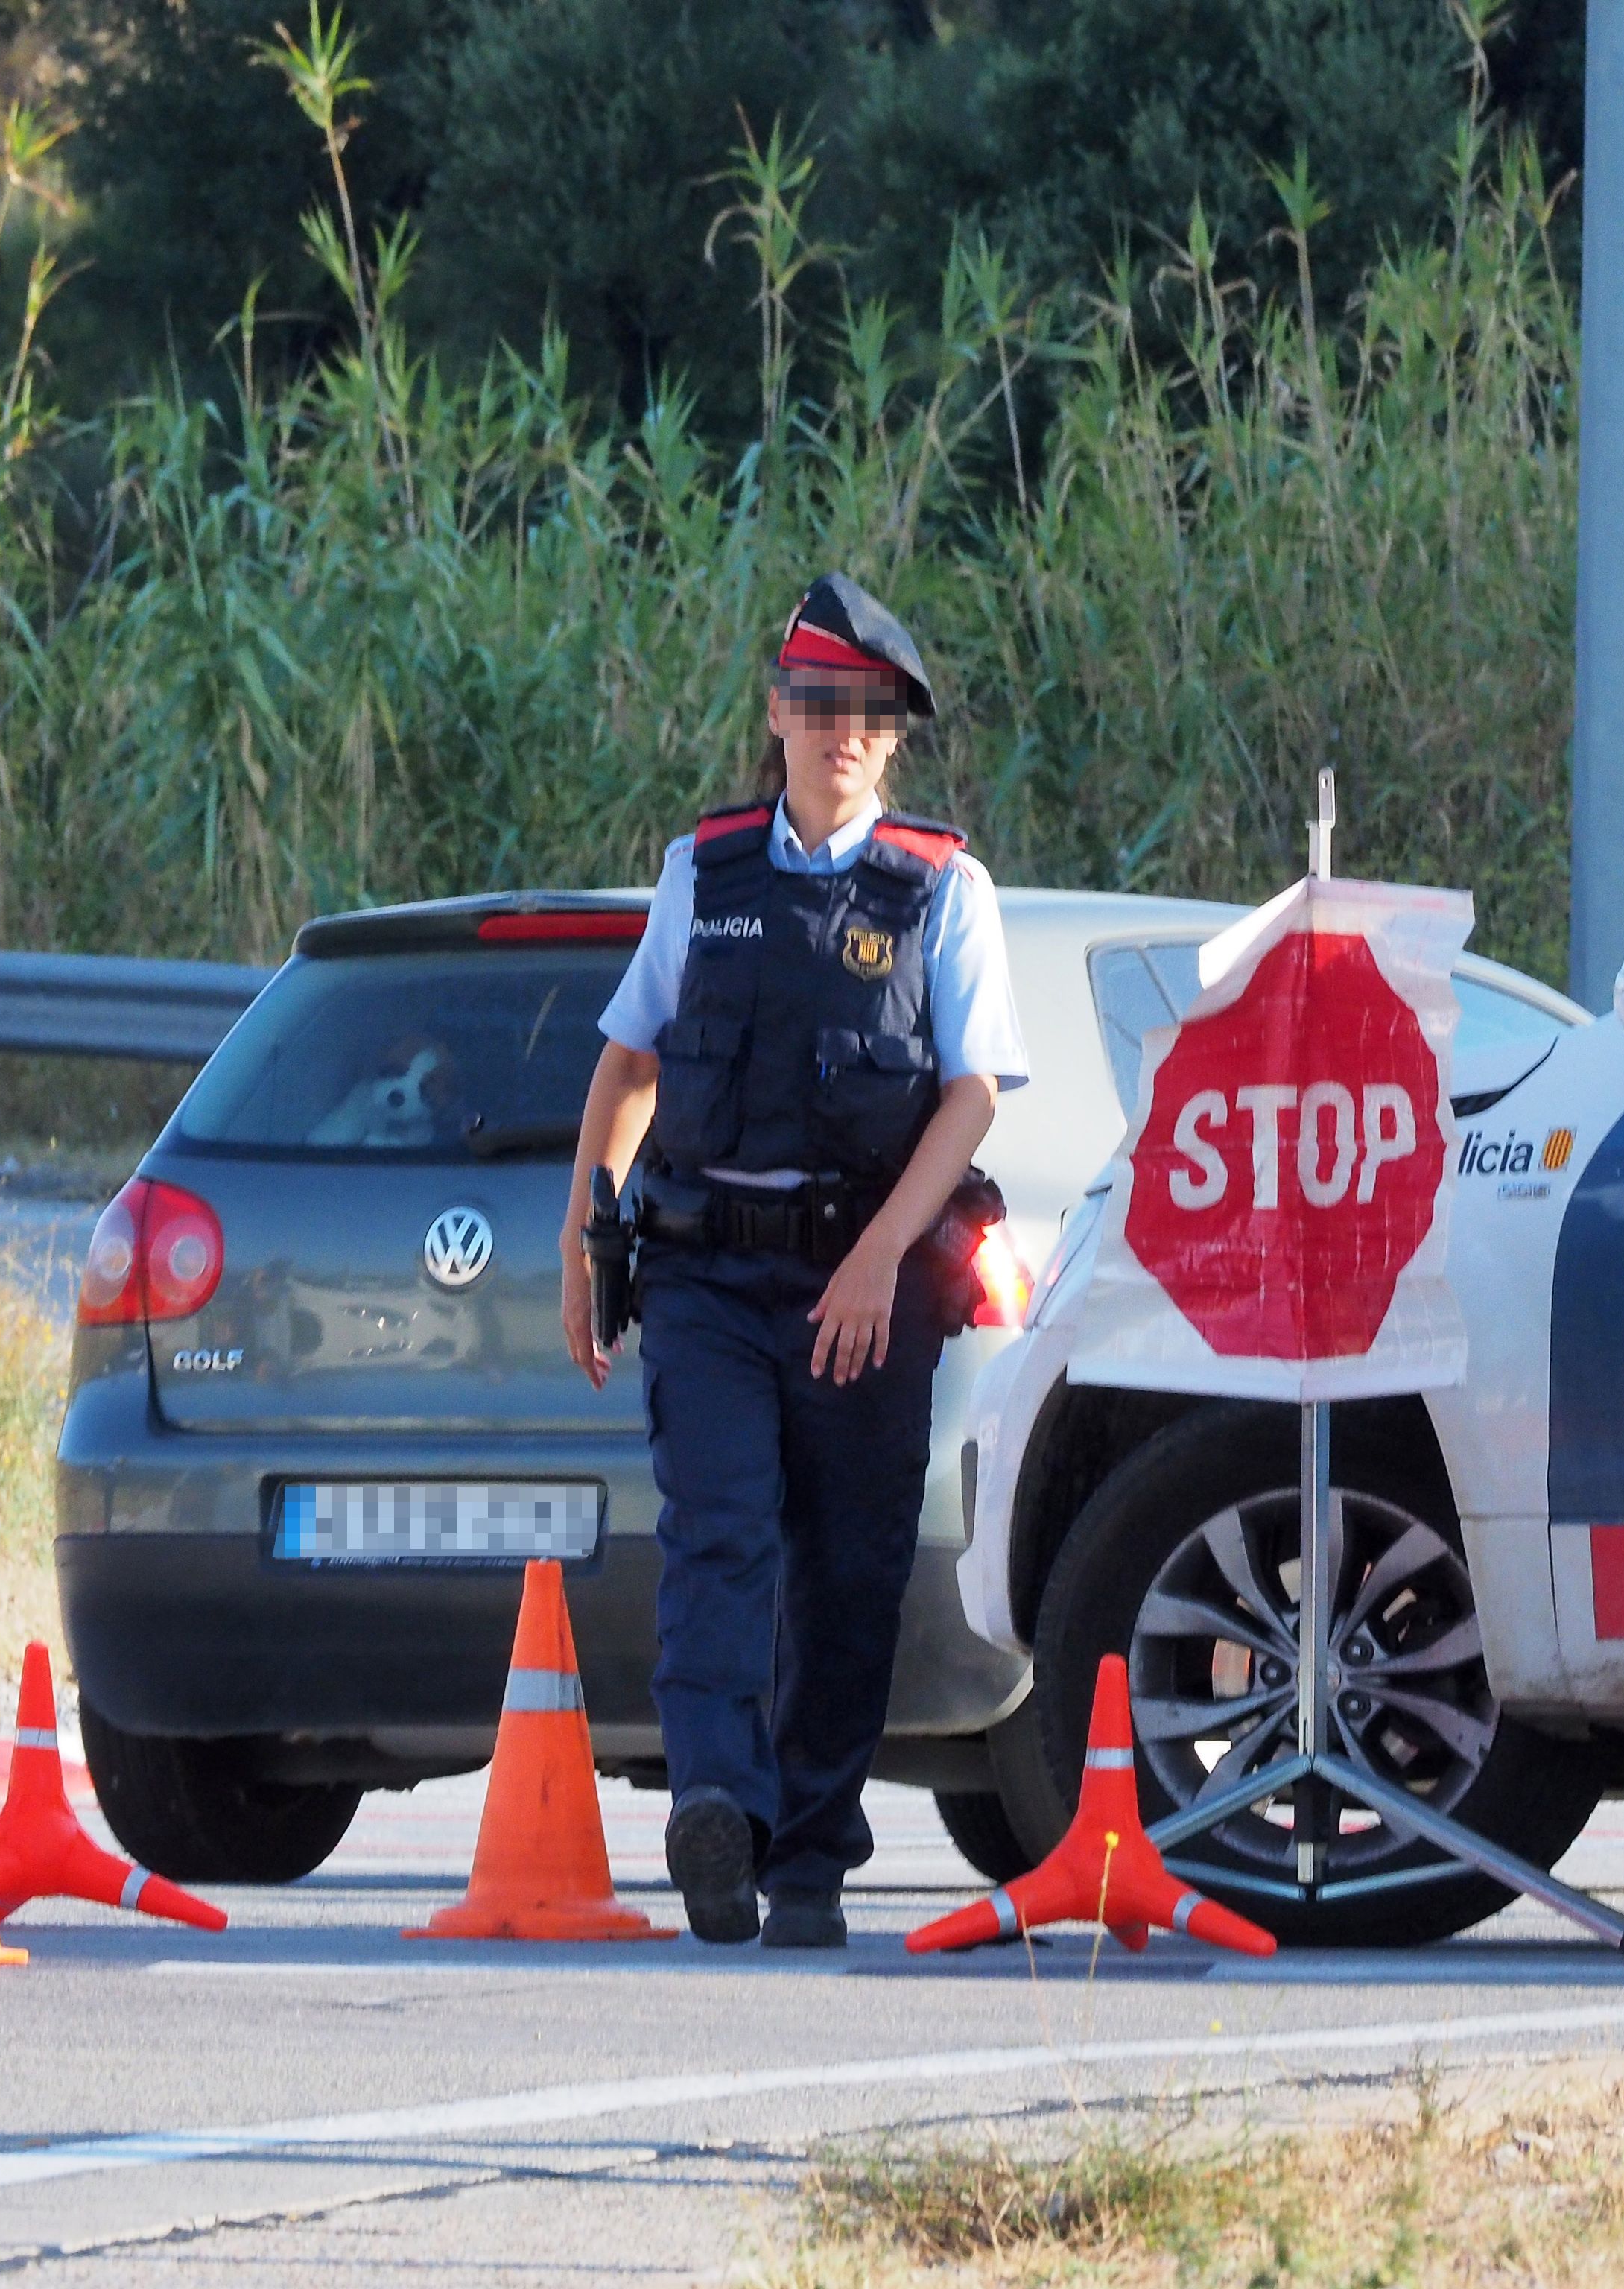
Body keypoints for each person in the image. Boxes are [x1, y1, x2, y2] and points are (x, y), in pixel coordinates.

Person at [559, 574, 1028, 1948]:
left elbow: (973, 1095)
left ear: (892, 738)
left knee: (847, 1565)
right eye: (818, 705)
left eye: (867, 714)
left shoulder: (942, 889)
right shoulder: (701, 872)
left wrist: (884, 1255)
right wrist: (586, 1235)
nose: (840, 732)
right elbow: (630, 1064)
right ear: (775, 714)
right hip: (707, 1275)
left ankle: (811, 1850)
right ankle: (715, 1801)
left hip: (862, 1284)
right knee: (719, 1534)